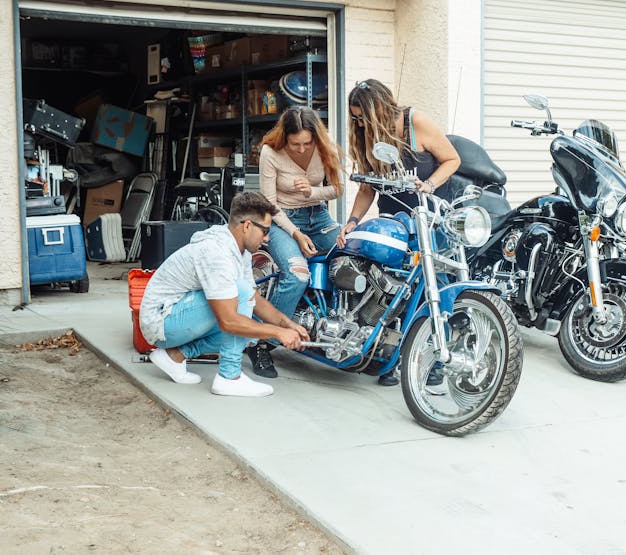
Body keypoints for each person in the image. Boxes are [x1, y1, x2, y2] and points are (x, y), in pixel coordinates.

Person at [336, 79, 461, 386]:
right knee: (390, 287)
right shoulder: (367, 136)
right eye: (356, 118)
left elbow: (452, 159)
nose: (360, 123)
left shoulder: (414, 121)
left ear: (380, 108)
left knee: (435, 289)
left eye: (364, 116)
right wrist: (352, 221)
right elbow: (368, 187)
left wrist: (429, 184)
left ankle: (435, 359)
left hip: (427, 220)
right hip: (392, 222)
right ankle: (389, 356)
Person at [139, 192, 309, 397]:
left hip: (176, 316)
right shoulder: (216, 252)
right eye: (265, 231)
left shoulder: (241, 251)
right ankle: (229, 377)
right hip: (160, 322)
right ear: (247, 226)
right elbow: (229, 320)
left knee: (248, 324)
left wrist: (286, 323)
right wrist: (277, 333)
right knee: (240, 304)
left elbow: (254, 300)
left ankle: (174, 356)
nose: (267, 238)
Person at [249, 105, 344, 379]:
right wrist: (295, 234)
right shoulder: (270, 153)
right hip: (282, 220)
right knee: (297, 275)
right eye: (295, 144)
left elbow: (337, 189)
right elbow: (269, 204)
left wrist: (313, 191)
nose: (302, 149)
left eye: (307, 143)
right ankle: (261, 343)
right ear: (285, 138)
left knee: (349, 259)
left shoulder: (326, 148)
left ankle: (332, 330)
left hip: (319, 216)